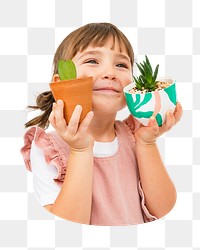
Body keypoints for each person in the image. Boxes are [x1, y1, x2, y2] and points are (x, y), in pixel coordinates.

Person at [21, 22, 182, 226]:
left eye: (121, 65)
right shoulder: (47, 148)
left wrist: (147, 143)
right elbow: (65, 228)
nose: (110, 73)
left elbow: (164, 212)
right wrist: (80, 150)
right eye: (92, 60)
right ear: (61, 82)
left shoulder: (136, 135)